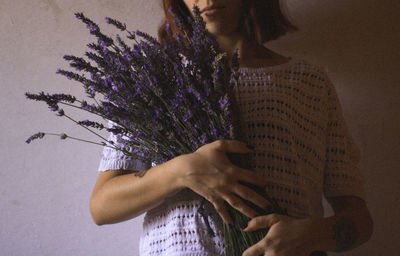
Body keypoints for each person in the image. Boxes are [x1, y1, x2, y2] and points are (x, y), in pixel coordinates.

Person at [90, 0, 374, 255]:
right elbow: (102, 206)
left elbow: (359, 219)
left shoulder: (309, 82)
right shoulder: (152, 83)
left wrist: (312, 235)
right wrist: (178, 172)